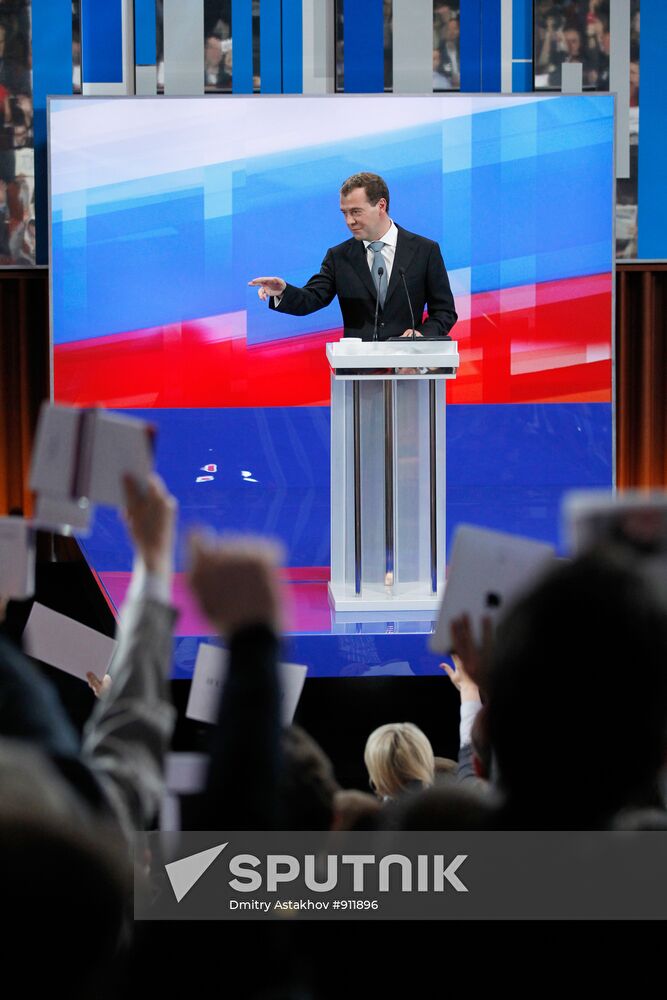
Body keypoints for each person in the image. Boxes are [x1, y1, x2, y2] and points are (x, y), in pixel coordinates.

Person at [249, 171, 457, 341]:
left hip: (411, 371)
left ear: (381, 206)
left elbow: (444, 312)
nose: (349, 221)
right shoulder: (339, 257)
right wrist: (282, 290)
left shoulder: (424, 250)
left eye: (356, 211)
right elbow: (311, 299)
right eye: (344, 213)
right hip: (357, 377)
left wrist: (421, 335)